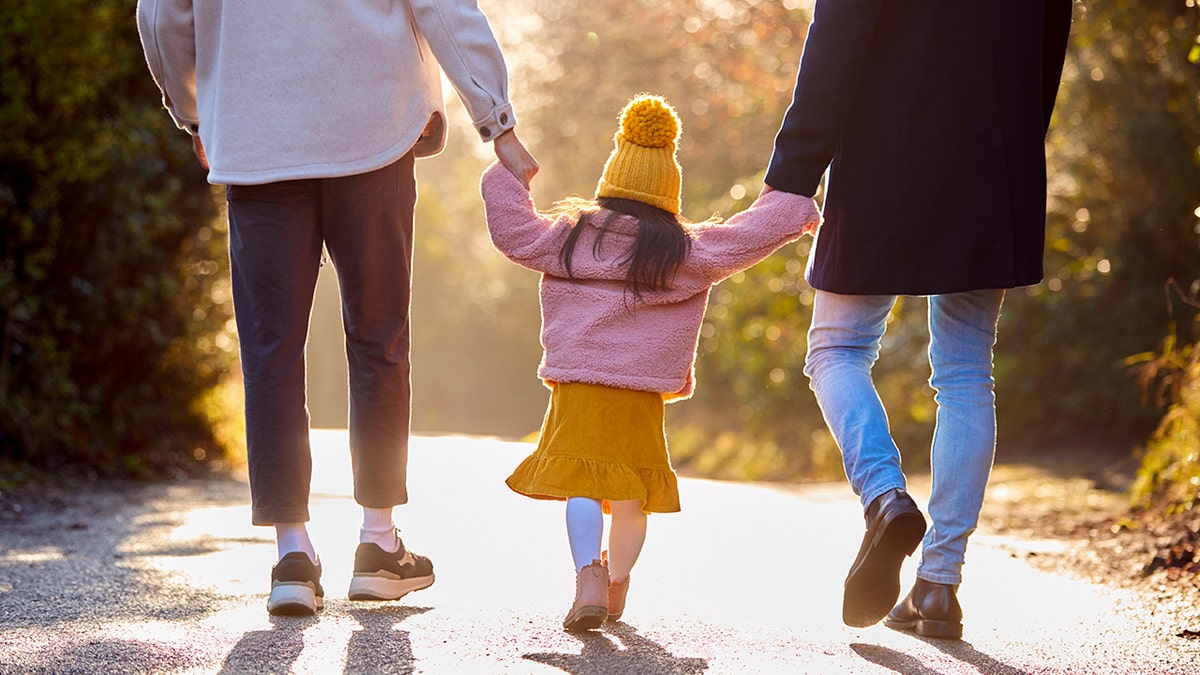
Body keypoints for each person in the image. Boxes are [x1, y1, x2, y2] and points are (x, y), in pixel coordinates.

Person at [135, 0, 539, 616]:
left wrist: (195, 116)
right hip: (372, 130)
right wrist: (497, 121)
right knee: (378, 340)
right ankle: (378, 544)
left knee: (270, 352)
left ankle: (292, 555)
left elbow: (163, 15)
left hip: (255, 138)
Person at [763, 1, 1073, 638]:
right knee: (965, 373)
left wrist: (791, 176)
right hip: (995, 167)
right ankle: (939, 587)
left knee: (835, 349)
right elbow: (1048, 49)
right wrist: (1015, 149)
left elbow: (835, 45)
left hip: (884, 161)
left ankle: (884, 497)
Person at [481, 95, 821, 630]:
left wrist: (508, 176)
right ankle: (616, 587)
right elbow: (749, 236)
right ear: (669, 193)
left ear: (609, 183)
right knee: (631, 495)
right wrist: (791, 202)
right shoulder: (684, 252)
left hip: (579, 386)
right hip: (640, 393)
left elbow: (513, 233)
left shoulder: (569, 238)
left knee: (581, 485)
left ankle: (587, 575)